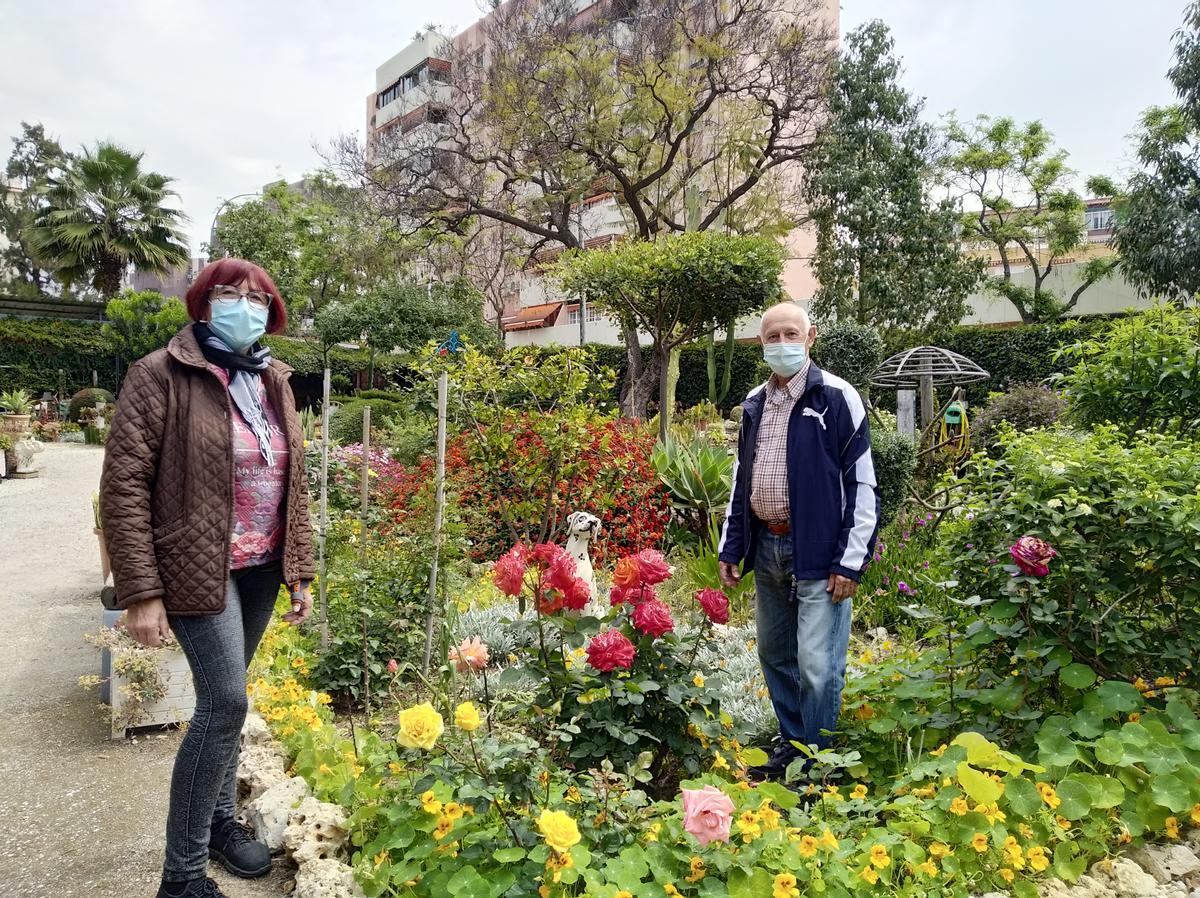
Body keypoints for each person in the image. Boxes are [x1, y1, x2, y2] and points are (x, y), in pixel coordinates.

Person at [100, 258, 317, 898]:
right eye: (230, 292)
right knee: (226, 703)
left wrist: (298, 572)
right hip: (195, 567)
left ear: (271, 311)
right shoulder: (158, 374)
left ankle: (221, 822)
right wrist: (141, 591)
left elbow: (293, 488)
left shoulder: (274, 378)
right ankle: (182, 877)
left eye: (257, 296)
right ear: (203, 300)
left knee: (226, 700)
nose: (243, 303)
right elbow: (124, 487)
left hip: (259, 568)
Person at [717, 301, 879, 782]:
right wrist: (732, 546)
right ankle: (792, 749)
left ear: (810, 338)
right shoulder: (754, 403)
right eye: (772, 336)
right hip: (768, 545)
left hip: (820, 552)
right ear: (761, 343)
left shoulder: (837, 397)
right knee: (774, 654)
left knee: (817, 665)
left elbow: (862, 483)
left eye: (791, 334)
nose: (782, 343)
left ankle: (819, 765)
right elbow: (740, 479)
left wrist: (850, 562)